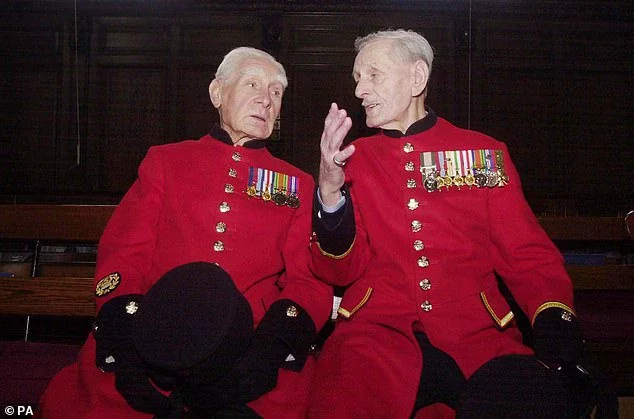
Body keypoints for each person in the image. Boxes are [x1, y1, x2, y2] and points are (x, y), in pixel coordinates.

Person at [39, 46, 333, 418]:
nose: (266, 99)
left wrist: (270, 348)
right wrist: (128, 330)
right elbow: (125, 252)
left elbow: (308, 280)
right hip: (155, 329)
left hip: (249, 343)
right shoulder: (167, 161)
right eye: (253, 84)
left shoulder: (297, 183)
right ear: (216, 93)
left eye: (276, 92)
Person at [309, 29, 585, 418]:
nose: (360, 90)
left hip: (477, 335)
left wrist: (554, 316)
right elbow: (338, 269)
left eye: (373, 75)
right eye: (357, 78)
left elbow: (526, 255)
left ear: (417, 78)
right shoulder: (351, 159)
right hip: (375, 337)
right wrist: (331, 194)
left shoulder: (483, 154)